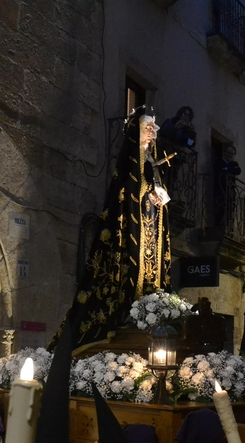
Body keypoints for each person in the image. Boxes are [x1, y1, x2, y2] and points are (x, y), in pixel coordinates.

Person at [51, 107, 172, 354]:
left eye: (153, 129)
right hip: (133, 232)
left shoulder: (153, 164)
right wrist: (146, 194)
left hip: (150, 230)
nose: (151, 134)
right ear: (136, 132)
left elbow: (156, 193)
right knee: (133, 269)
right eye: (147, 128)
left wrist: (159, 198)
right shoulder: (129, 166)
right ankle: (130, 313)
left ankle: (152, 312)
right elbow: (126, 196)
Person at [213, 144, 241, 227]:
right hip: (219, 189)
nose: (230, 155)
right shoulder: (219, 162)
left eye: (232, 154)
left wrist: (226, 169)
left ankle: (229, 228)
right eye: (229, 153)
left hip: (230, 190)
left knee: (230, 209)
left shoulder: (234, 163)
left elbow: (238, 171)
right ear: (224, 153)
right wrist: (229, 169)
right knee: (219, 208)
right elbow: (216, 169)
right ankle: (218, 226)